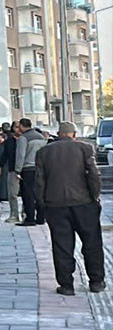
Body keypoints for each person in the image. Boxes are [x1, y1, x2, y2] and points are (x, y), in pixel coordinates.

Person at [35, 122, 105, 296]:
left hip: (55, 205)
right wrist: (94, 196)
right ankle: (96, 281)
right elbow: (94, 175)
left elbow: (39, 181)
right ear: (74, 134)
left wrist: (42, 203)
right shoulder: (85, 148)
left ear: (59, 134)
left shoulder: (44, 152)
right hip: (84, 203)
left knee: (62, 245)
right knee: (92, 243)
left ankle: (66, 285)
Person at [16, 118, 47, 226]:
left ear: (22, 126)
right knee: (39, 194)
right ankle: (41, 217)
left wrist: (17, 170)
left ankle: (30, 218)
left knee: (28, 194)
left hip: (27, 169)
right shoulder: (41, 137)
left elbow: (20, 155)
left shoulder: (23, 138)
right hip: (39, 169)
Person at [0, 122, 21, 223]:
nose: (18, 129)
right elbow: (5, 154)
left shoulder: (26, 139)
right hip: (12, 169)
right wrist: (0, 165)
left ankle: (26, 213)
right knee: (12, 194)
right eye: (16, 127)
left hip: (26, 170)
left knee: (27, 194)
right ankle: (14, 214)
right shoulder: (10, 141)